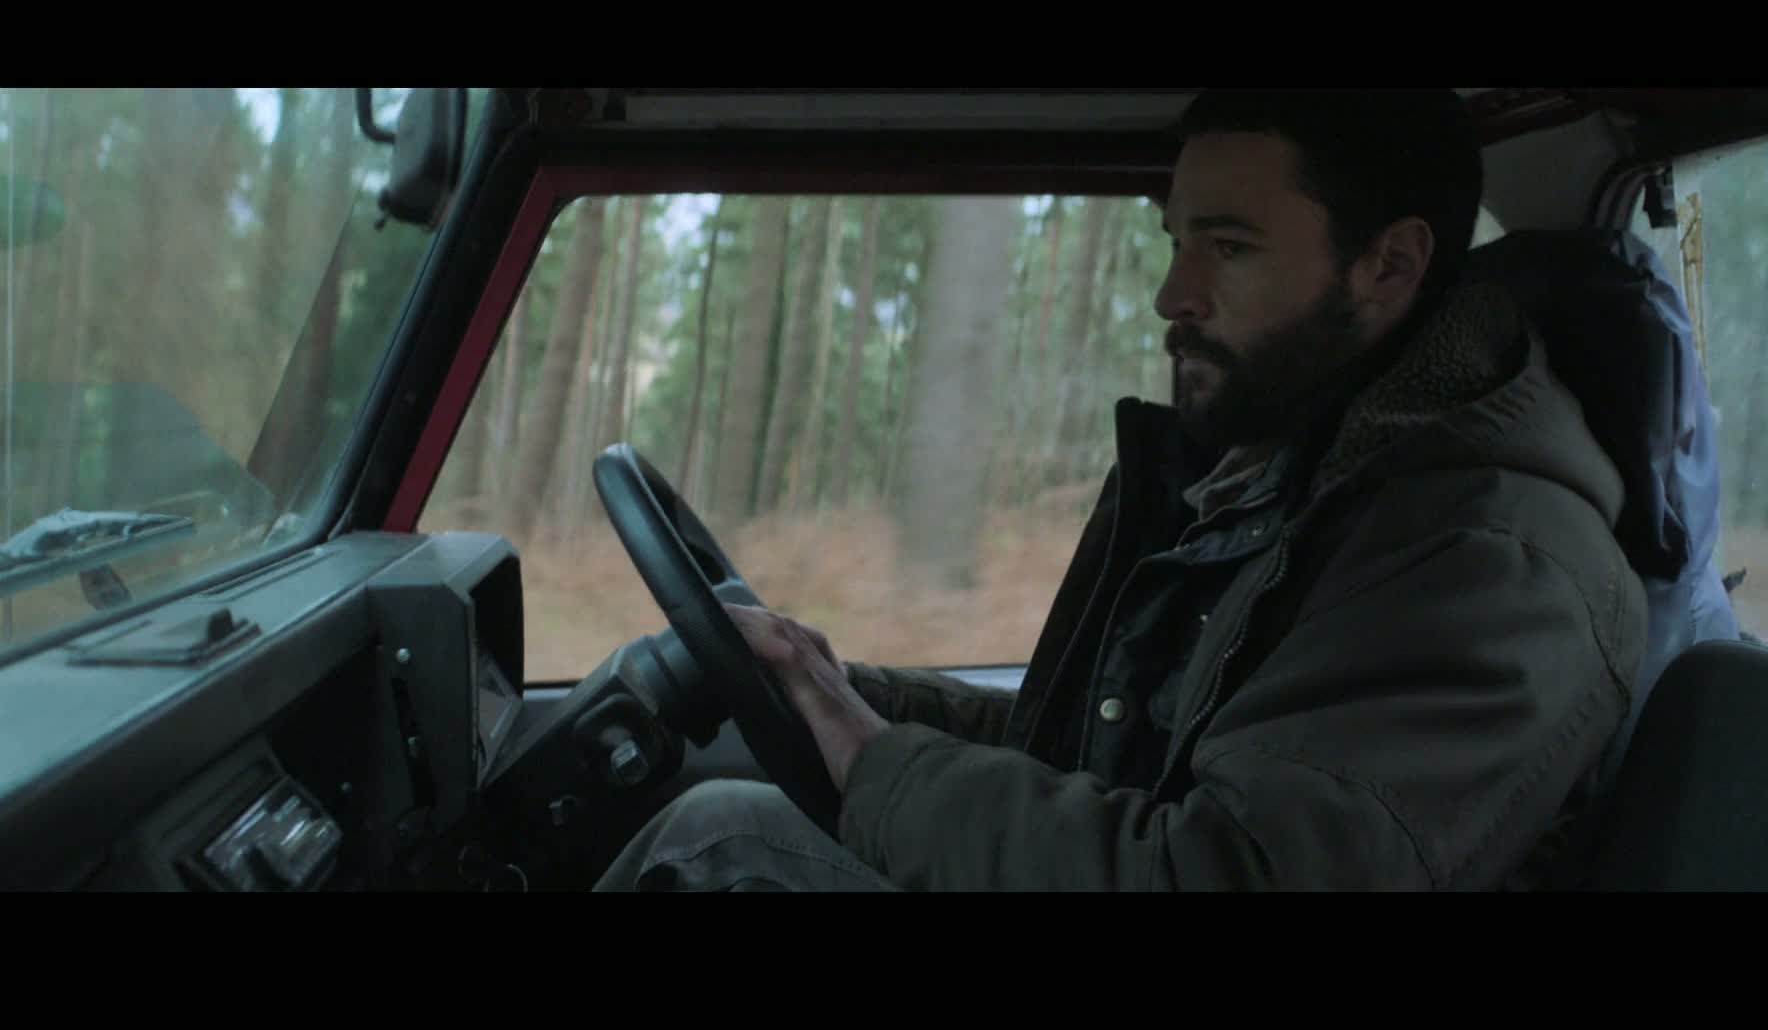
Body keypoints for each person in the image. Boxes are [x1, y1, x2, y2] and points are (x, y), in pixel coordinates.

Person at [595, 88, 1648, 892]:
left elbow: (1227, 870)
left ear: (1389, 265)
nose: (1171, 295)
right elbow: (1102, 757)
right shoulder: (1304, 482)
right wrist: (845, 694)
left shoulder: (1488, 567)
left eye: (1228, 246)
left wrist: (876, 761)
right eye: (1178, 243)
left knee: (720, 845)